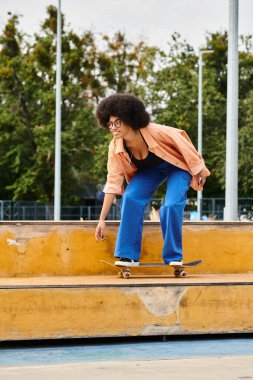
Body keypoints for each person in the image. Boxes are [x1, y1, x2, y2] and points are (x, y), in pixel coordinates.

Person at [95, 94, 210, 267]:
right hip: (150, 171)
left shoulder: (153, 130)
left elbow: (182, 140)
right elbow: (113, 182)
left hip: (176, 165)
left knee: (171, 205)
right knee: (131, 197)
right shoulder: (116, 147)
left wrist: (200, 169)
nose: (113, 127)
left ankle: (174, 256)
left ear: (129, 119)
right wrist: (102, 219)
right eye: (110, 124)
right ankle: (128, 255)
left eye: (117, 122)